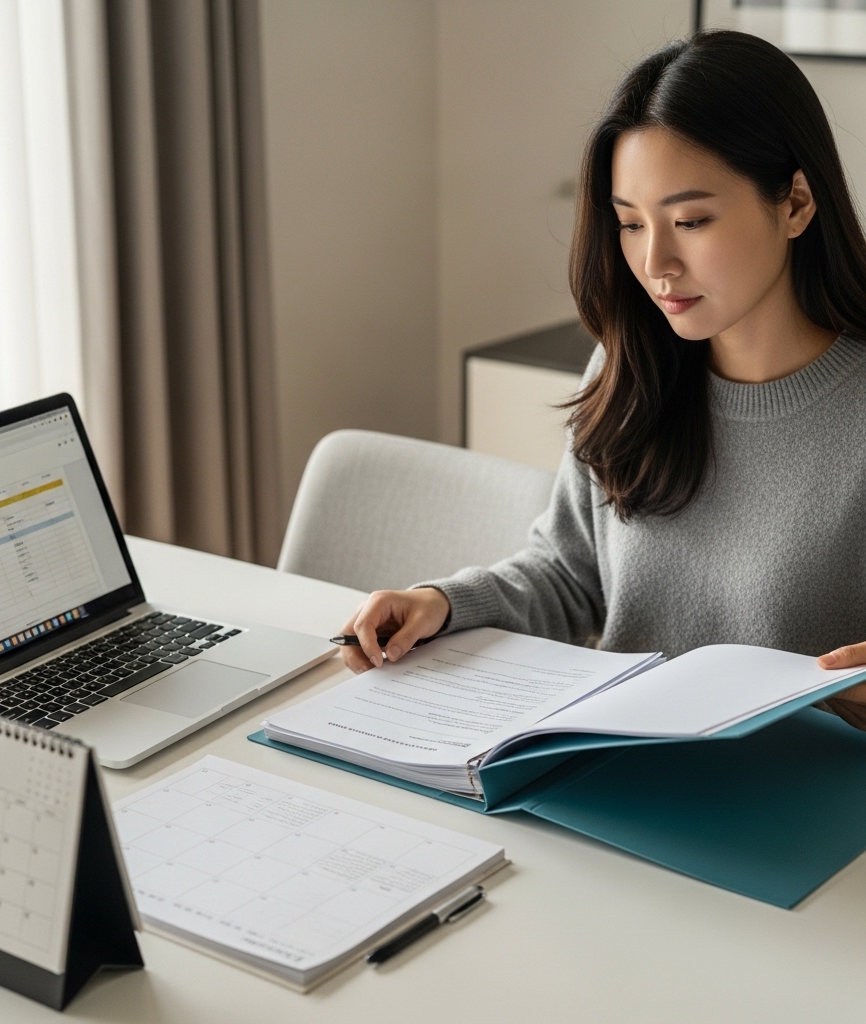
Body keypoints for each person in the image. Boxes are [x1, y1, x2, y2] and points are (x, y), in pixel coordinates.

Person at [339, 29, 866, 730]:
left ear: (795, 203)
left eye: (690, 220)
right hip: (616, 761)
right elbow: (568, 575)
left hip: (803, 782)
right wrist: (443, 603)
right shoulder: (632, 368)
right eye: (630, 224)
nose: (655, 263)